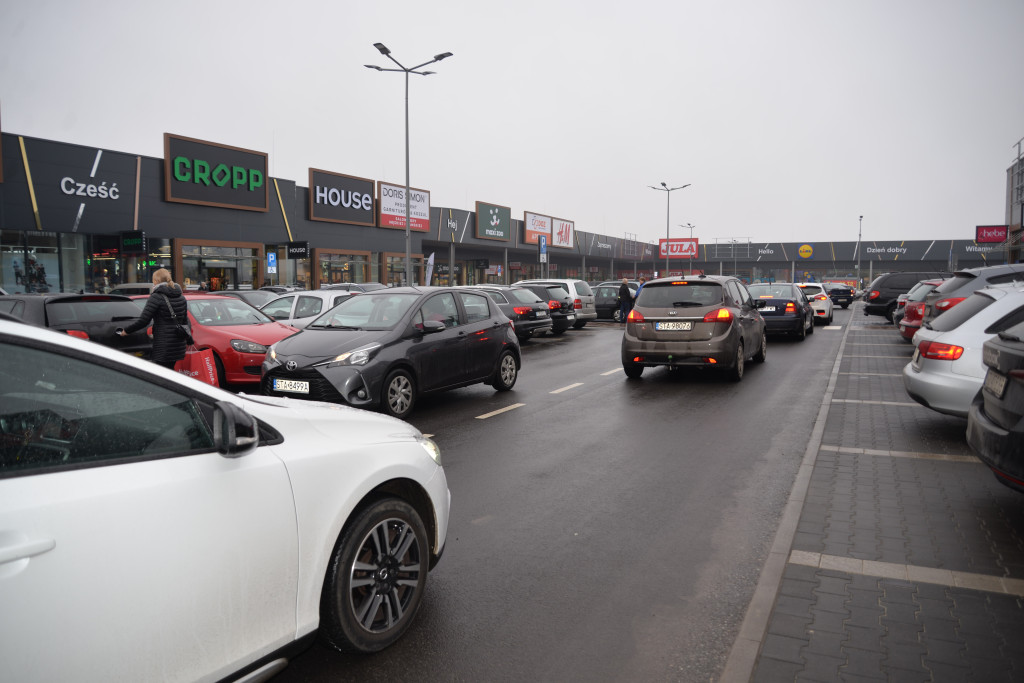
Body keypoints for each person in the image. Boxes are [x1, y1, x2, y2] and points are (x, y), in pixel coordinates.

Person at [117, 268, 189, 369]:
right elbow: (185, 321)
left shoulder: (156, 297)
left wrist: (127, 331)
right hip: (178, 344)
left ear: (156, 281)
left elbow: (144, 320)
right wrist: (189, 340)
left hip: (164, 344)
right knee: (170, 371)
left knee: (162, 374)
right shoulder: (181, 297)